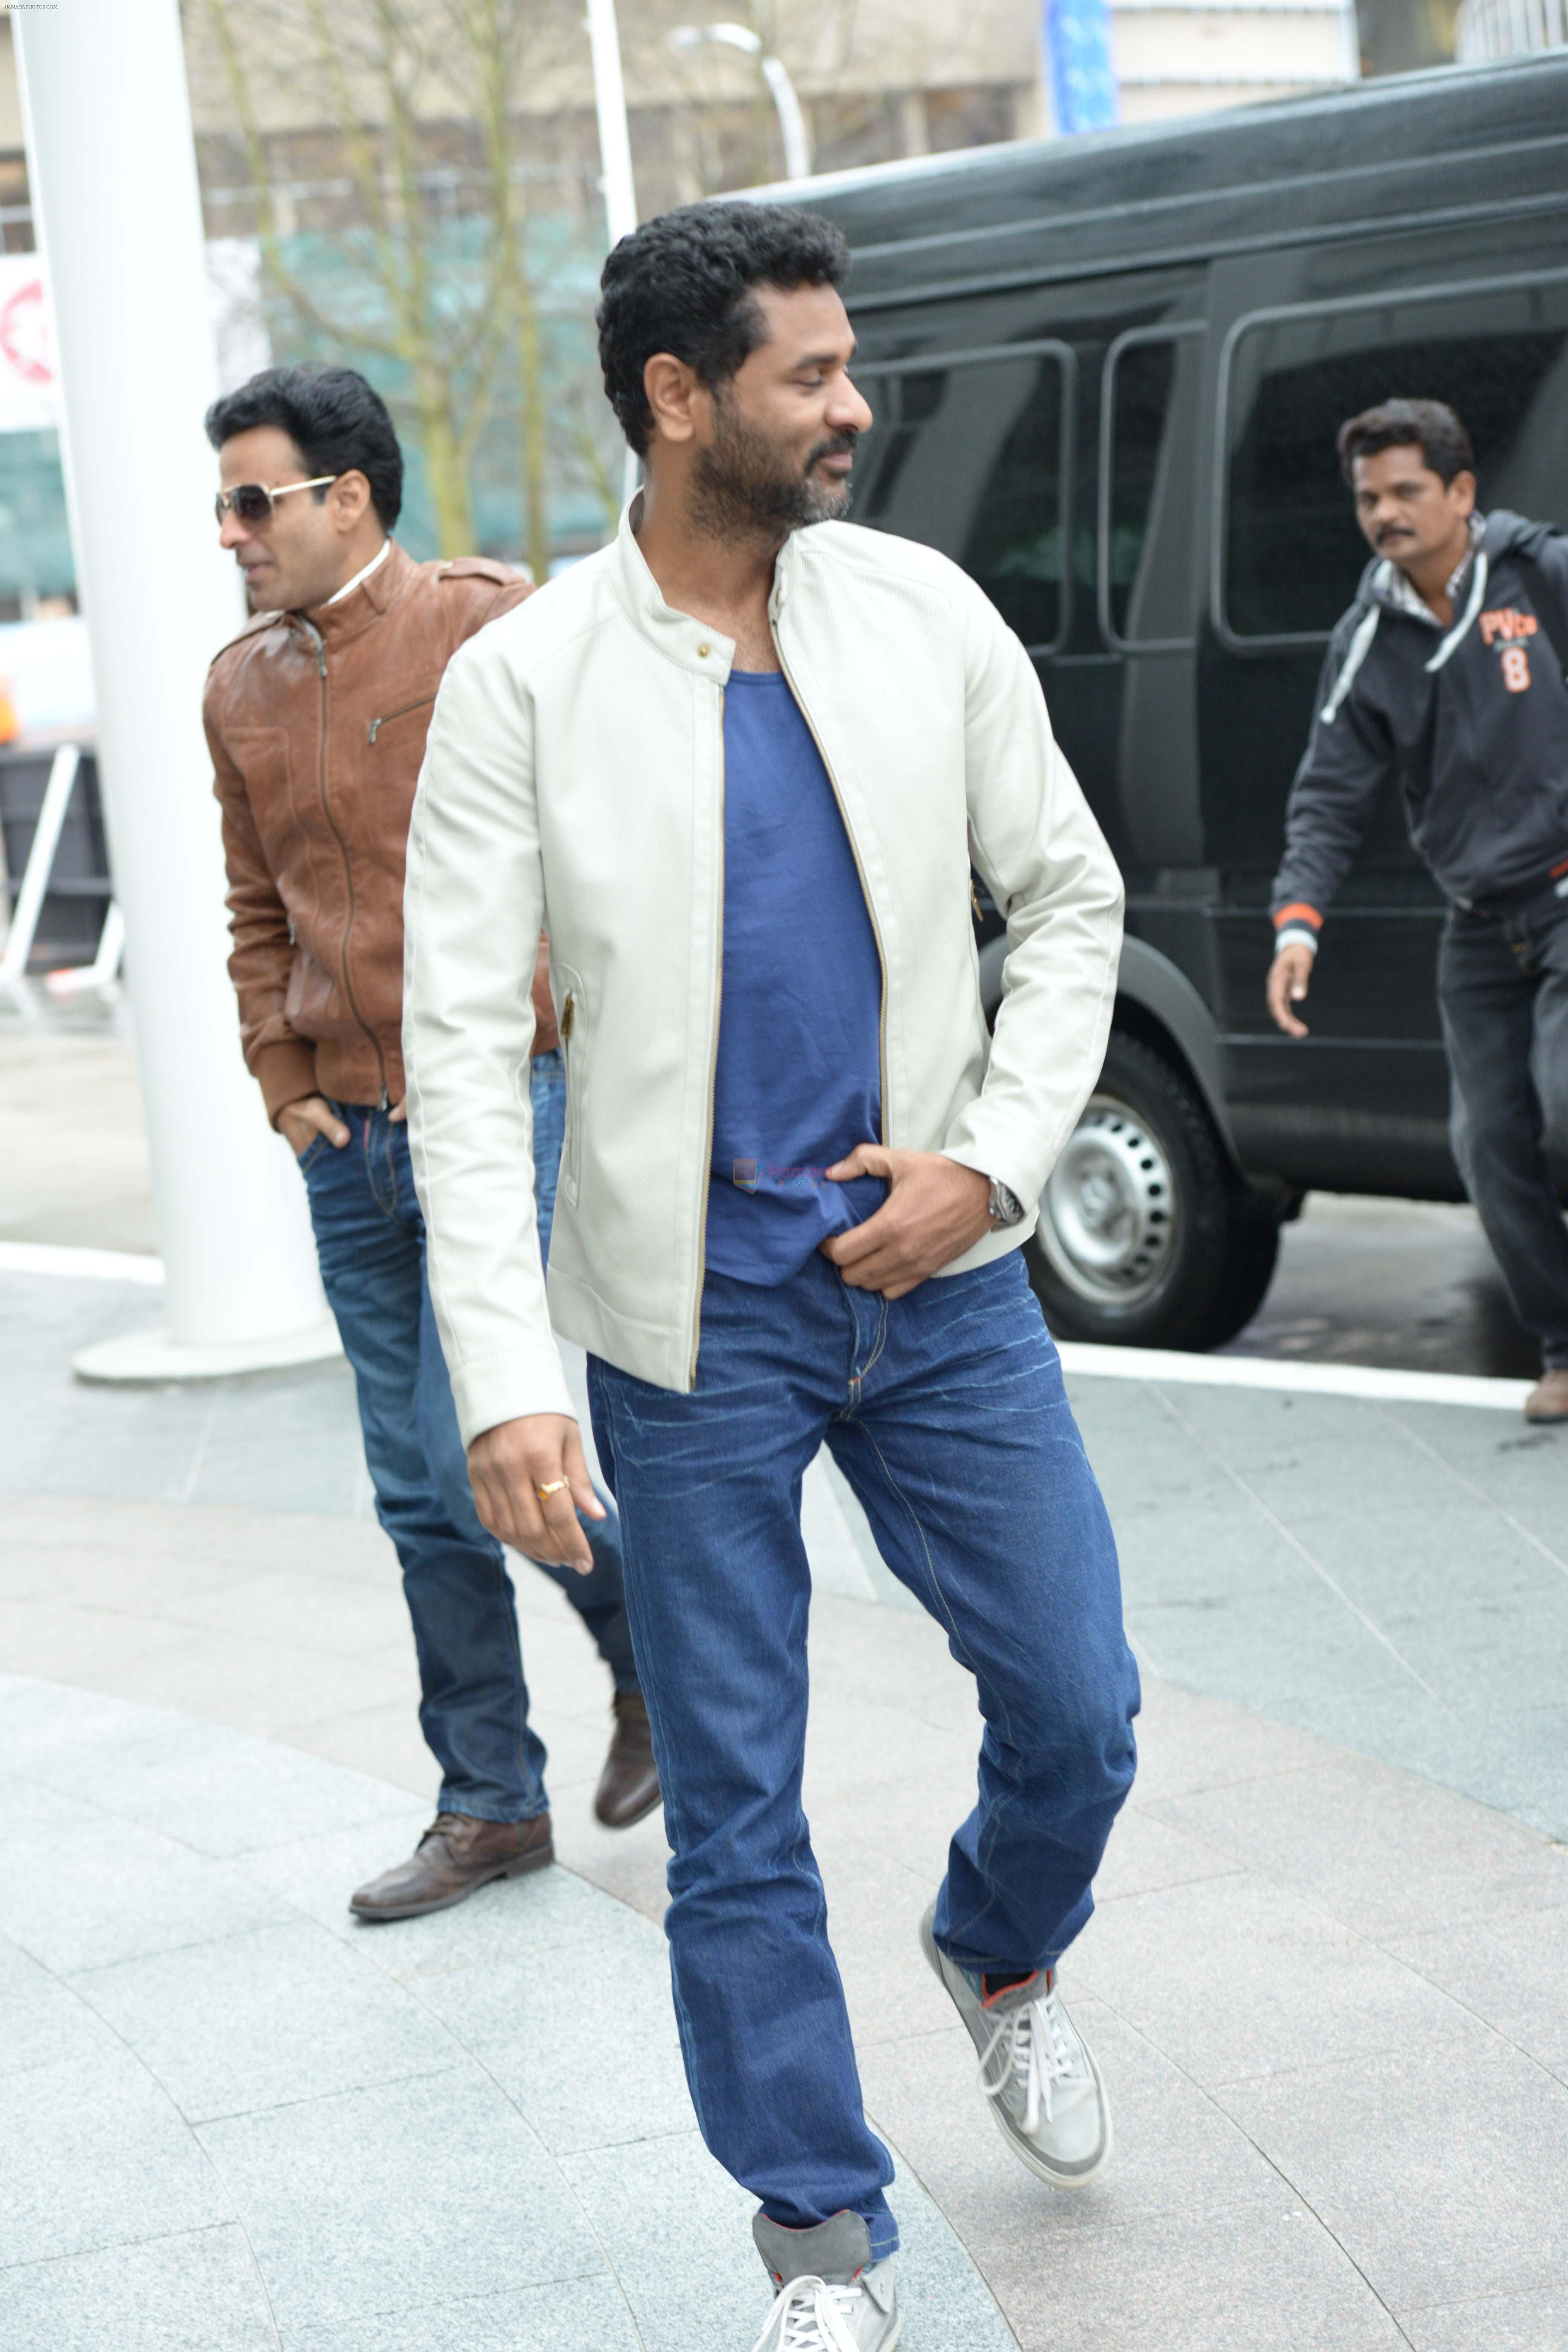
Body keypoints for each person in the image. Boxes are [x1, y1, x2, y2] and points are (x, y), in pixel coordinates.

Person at [402, 204, 1139, 2350]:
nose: (852, 403)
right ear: (674, 396)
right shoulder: (524, 680)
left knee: (1077, 1706)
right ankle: (819, 2239)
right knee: (734, 1803)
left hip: (940, 1287)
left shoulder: (916, 610)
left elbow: (1066, 899)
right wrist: (502, 1380)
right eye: (806, 373)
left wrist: (991, 1171)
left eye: (844, 364)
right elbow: (457, 1052)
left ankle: (996, 1946)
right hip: (682, 1329)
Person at [202, 365, 659, 1924]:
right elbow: (254, 907)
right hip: (349, 1136)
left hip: (496, 1107)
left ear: (349, 496)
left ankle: (648, 1660)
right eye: (222, 504)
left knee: (483, 1461)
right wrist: (281, 1076)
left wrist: (587, 1034)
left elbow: (612, 826)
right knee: (415, 1488)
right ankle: (492, 1802)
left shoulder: (486, 623)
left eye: (253, 500)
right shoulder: (238, 686)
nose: (230, 533)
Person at [1265, 398, 1568, 1424]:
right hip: (1478, 920)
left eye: (1405, 491)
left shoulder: (1538, 580)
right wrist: (1297, 921)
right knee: (1489, 1139)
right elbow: (1328, 793)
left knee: (1565, 1099)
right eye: (1367, 498)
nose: (1383, 513)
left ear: (1461, 493)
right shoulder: (1368, 638)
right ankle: (1565, 1349)